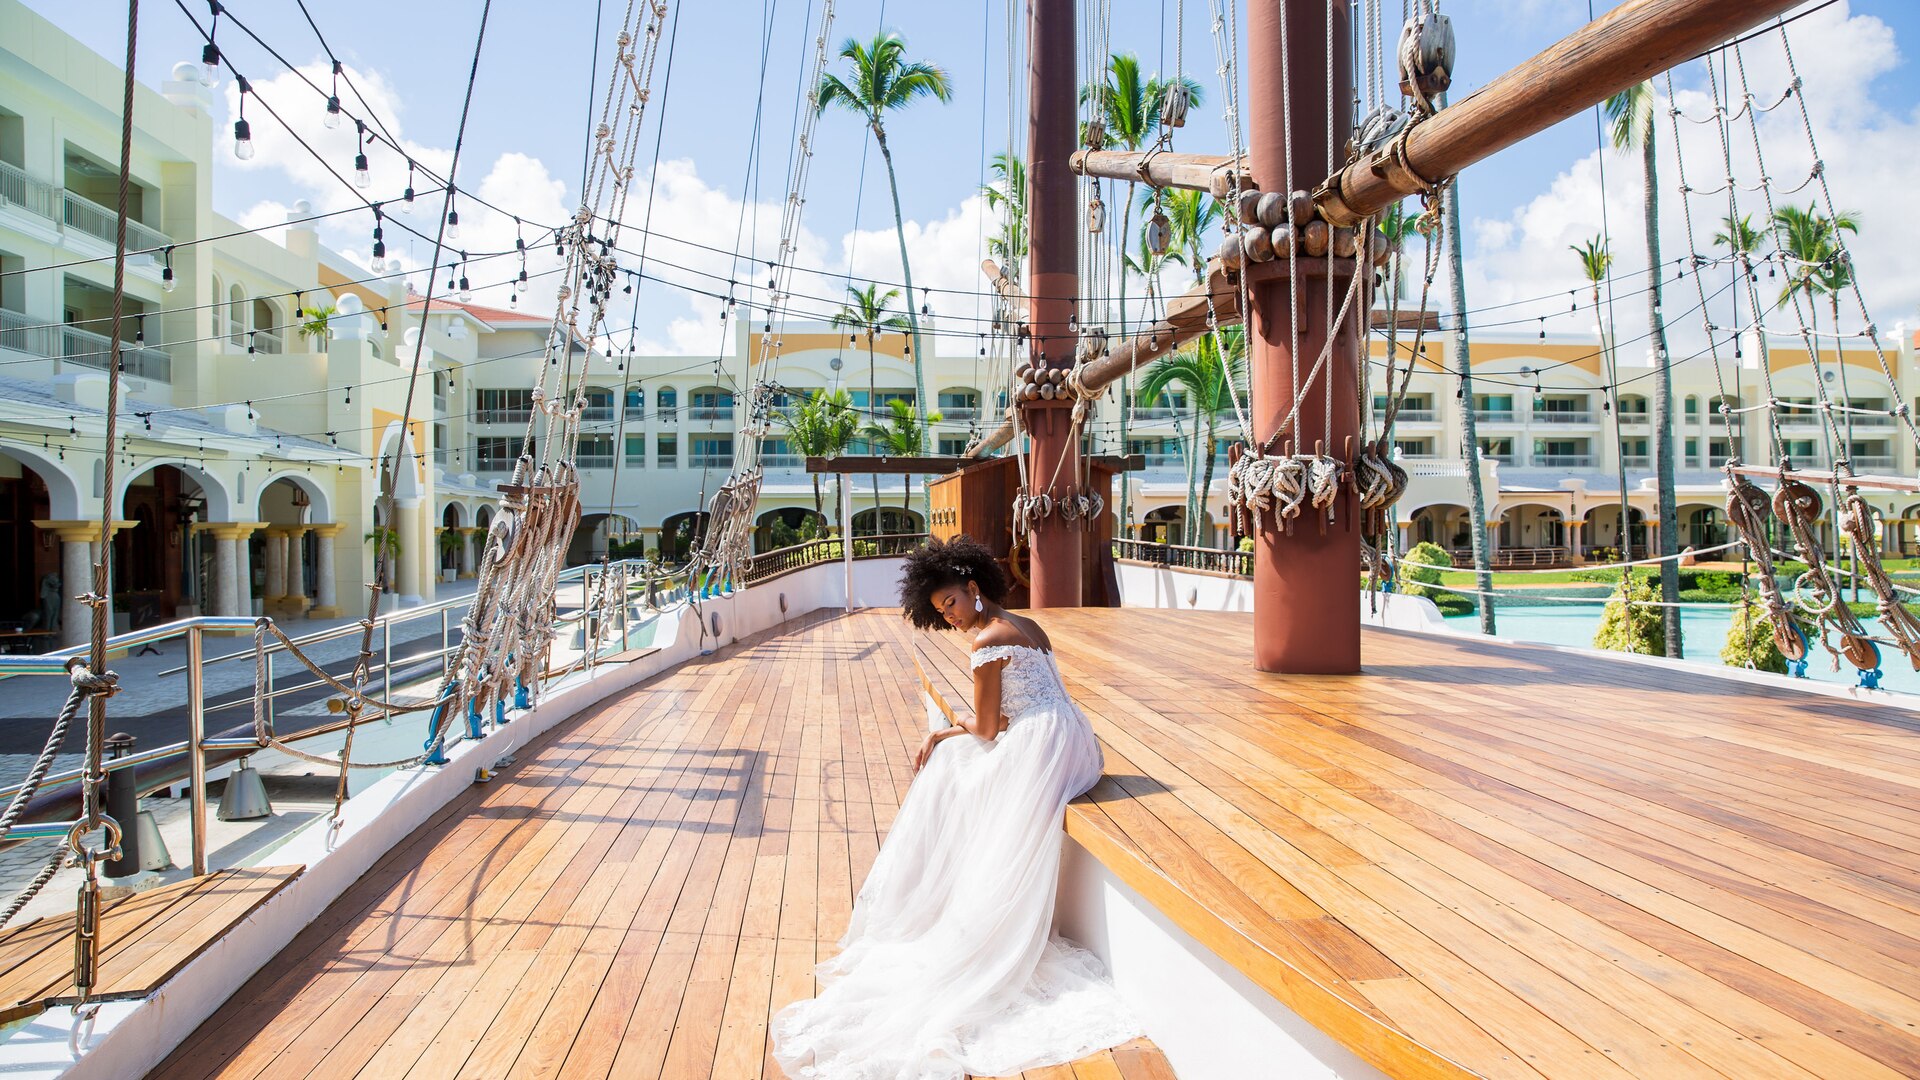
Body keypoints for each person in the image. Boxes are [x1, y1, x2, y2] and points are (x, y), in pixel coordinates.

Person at [771, 535, 1140, 1080]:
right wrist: (957, 729)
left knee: (949, 769)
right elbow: (1018, 710)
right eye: (940, 612)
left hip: (1042, 744)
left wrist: (945, 730)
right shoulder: (1027, 625)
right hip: (1076, 740)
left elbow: (988, 727)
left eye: (951, 604)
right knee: (959, 762)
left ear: (973, 587)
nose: (950, 618)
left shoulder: (986, 642)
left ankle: (946, 898)